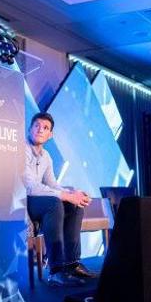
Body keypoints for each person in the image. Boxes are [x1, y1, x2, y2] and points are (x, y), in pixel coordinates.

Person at [24, 112, 97, 286]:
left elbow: (52, 184)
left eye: (45, 128)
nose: (40, 130)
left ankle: (72, 264)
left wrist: (73, 194)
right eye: (37, 125)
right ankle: (56, 270)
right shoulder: (22, 149)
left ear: (50, 135)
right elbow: (30, 186)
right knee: (54, 203)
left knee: (75, 206)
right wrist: (66, 196)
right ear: (30, 128)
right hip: (22, 200)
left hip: (39, 199)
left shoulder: (46, 156)